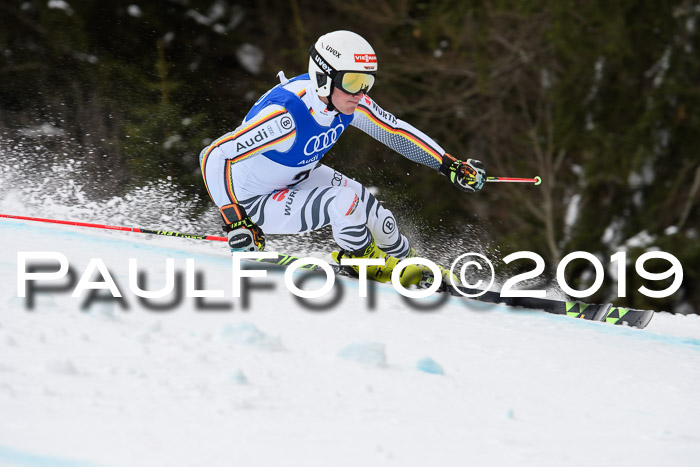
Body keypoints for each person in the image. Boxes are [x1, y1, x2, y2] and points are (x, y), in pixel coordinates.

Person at [200, 30, 485, 284]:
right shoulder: (285, 117)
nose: (361, 93)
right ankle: (364, 264)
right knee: (344, 202)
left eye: (367, 82)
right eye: (353, 81)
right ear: (324, 77)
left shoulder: (347, 100)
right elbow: (214, 155)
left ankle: (409, 263)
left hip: (297, 176)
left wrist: (449, 165)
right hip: (254, 204)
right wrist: (235, 220)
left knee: (372, 209)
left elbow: (394, 132)